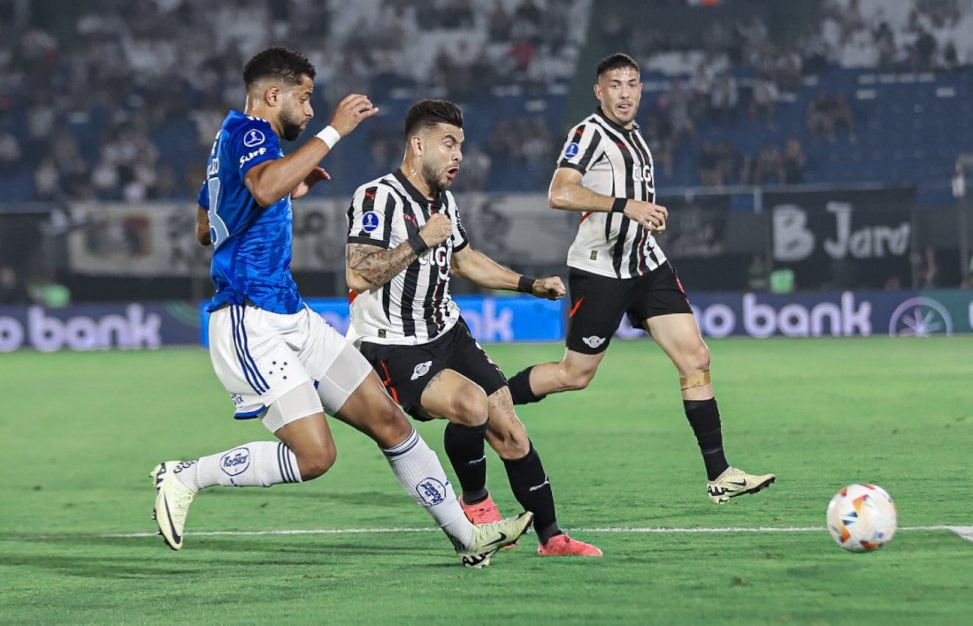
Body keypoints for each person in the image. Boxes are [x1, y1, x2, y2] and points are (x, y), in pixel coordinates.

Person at [149, 47, 530, 568]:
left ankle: (470, 537)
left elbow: (205, 225)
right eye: (304, 100)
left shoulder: (228, 143)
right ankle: (185, 475)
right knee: (316, 456)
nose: (308, 112)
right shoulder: (249, 132)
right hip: (248, 318)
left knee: (390, 421)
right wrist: (332, 132)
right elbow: (262, 186)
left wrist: (288, 189)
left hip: (292, 316)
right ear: (273, 95)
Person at [505, 53, 775, 506]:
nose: (625, 92)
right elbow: (559, 192)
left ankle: (720, 473)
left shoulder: (636, 137)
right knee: (575, 375)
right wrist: (627, 206)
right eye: (615, 84)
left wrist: (646, 214)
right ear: (599, 91)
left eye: (632, 83)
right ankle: (492, 401)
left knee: (696, 357)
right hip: (600, 268)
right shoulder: (587, 134)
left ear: (642, 89)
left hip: (646, 263)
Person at [344, 99, 601, 557]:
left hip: (447, 329)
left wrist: (528, 285)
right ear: (418, 144)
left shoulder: (444, 201)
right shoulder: (377, 197)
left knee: (510, 426)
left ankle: (552, 537)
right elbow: (359, 274)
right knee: (470, 404)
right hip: (394, 344)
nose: (459, 154)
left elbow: (463, 259)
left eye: (461, 144)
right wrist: (422, 238)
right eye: (449, 144)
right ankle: (476, 503)